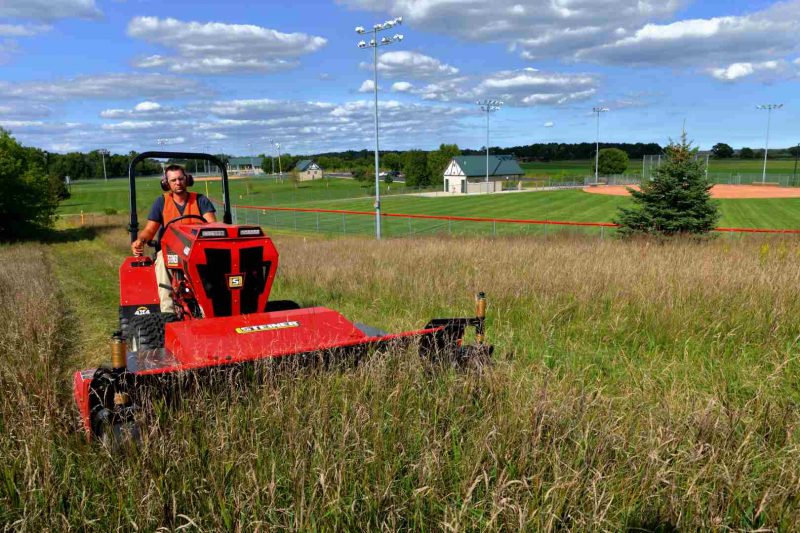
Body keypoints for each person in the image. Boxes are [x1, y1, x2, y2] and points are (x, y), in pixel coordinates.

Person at [131, 164, 217, 313]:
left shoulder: (200, 200)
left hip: (196, 251)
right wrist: (141, 240)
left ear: (187, 179)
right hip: (170, 251)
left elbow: (212, 226)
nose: (178, 183)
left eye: (181, 178)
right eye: (173, 180)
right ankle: (167, 312)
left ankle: (209, 309)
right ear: (166, 183)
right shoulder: (161, 202)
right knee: (163, 260)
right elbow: (150, 230)